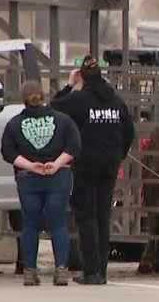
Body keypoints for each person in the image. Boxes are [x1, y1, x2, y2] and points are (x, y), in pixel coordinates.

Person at [52, 56, 135, 285]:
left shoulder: (79, 99)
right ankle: (102, 270)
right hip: (110, 165)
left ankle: (92, 272)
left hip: (86, 165)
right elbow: (129, 131)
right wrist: (120, 154)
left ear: (83, 77)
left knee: (86, 217)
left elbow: (54, 106)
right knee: (103, 216)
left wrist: (69, 85)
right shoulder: (117, 102)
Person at [1, 81, 81, 286]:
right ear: (44, 96)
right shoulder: (63, 121)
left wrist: (30, 166)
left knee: (30, 224)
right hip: (59, 176)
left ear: (23, 99)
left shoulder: (14, 124)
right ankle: (61, 270)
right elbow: (74, 146)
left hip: (28, 179)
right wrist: (55, 164)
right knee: (58, 224)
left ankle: (30, 271)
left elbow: (8, 152)